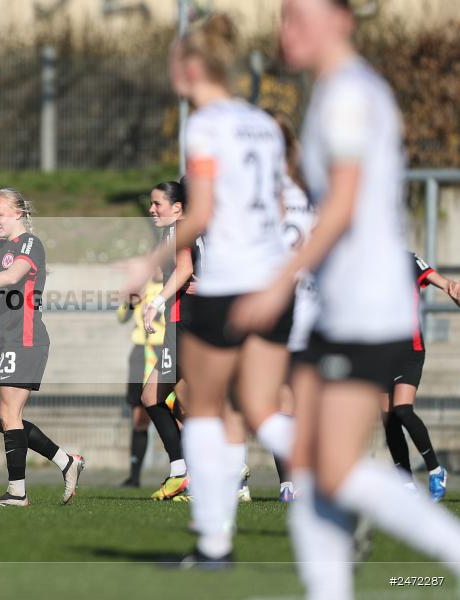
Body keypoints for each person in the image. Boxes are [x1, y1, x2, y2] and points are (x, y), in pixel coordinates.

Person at [231, 0, 460, 596]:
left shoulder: (350, 94)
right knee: (305, 454)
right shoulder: (334, 92)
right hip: (341, 304)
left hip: (366, 306)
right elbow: (328, 191)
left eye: (300, 17)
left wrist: (281, 277)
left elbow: (345, 204)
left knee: (325, 463)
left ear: (343, 20)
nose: (287, 30)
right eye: (283, 16)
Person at [126, 15, 296, 565]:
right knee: (262, 412)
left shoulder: (203, 127)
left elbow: (196, 216)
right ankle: (353, 493)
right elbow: (275, 209)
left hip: (224, 290)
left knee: (201, 412)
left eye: (176, 61)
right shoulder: (264, 125)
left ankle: (213, 543)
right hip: (272, 285)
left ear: (193, 67)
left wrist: (146, 265)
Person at [0, 188, 85, 507]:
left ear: (18, 214)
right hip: (8, 342)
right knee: (2, 419)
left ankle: (17, 492)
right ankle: (66, 461)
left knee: (10, 415)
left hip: (26, 340)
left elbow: (11, 276)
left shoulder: (30, 245)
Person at [382, 252, 460, 501]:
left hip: (409, 349)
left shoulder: (407, 260)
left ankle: (436, 470)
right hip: (378, 351)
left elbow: (444, 282)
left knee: (403, 409)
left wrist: (452, 287)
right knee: (388, 418)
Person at [141, 180, 199, 501]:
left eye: (157, 204)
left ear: (177, 207)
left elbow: (186, 268)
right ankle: (187, 474)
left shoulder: (180, 229)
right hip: (181, 323)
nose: (151, 210)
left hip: (183, 323)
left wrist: (157, 302)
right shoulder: (175, 230)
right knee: (169, 400)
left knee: (158, 397)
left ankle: (189, 474)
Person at [271, 109, 317, 503]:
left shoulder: (311, 186)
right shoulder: (256, 189)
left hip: (312, 307)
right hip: (276, 308)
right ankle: (290, 479)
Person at [116, 263, 164, 489]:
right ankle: (134, 476)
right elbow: (122, 317)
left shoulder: (172, 284)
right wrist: (129, 302)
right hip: (140, 352)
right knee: (139, 417)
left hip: (163, 349)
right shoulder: (141, 285)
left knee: (175, 410)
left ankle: (183, 470)